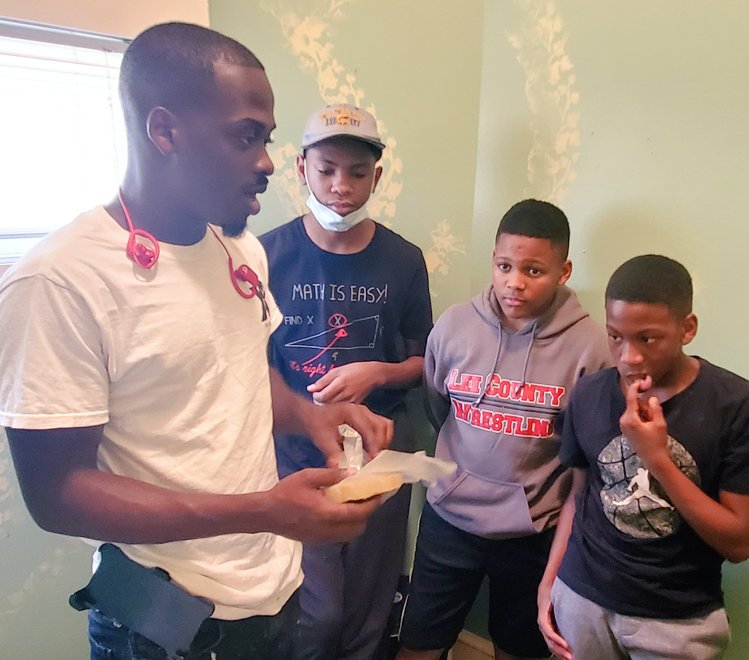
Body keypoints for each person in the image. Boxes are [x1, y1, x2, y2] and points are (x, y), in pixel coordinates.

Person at [0, 22, 393, 660]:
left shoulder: (238, 251)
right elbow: (58, 494)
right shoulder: (60, 281)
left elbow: (242, 377)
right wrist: (262, 510)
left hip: (272, 590)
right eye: (244, 137)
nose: (266, 162)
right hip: (165, 626)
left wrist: (311, 416)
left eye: (266, 139)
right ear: (165, 131)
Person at [397, 200, 612, 660]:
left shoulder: (591, 348)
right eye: (505, 266)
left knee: (518, 650)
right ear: (493, 261)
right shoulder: (454, 326)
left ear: (563, 271)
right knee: (418, 645)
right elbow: (438, 404)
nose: (515, 282)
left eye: (534, 270)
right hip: (449, 519)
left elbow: (584, 452)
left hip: (532, 532)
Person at [260, 102, 433, 660]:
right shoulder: (264, 256)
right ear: (301, 168)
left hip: (378, 457)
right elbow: (245, 365)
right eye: (327, 169)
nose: (341, 186)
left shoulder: (403, 260)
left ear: (376, 178)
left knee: (367, 606)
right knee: (314, 611)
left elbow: (424, 361)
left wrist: (379, 371)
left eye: (358, 173)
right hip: (292, 456)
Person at [538, 254, 749, 660]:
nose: (628, 356)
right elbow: (577, 497)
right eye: (615, 337)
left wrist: (657, 459)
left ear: (687, 328)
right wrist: (550, 583)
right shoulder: (589, 393)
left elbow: (739, 543)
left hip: (676, 619)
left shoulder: (737, 405)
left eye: (647, 339)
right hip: (582, 596)